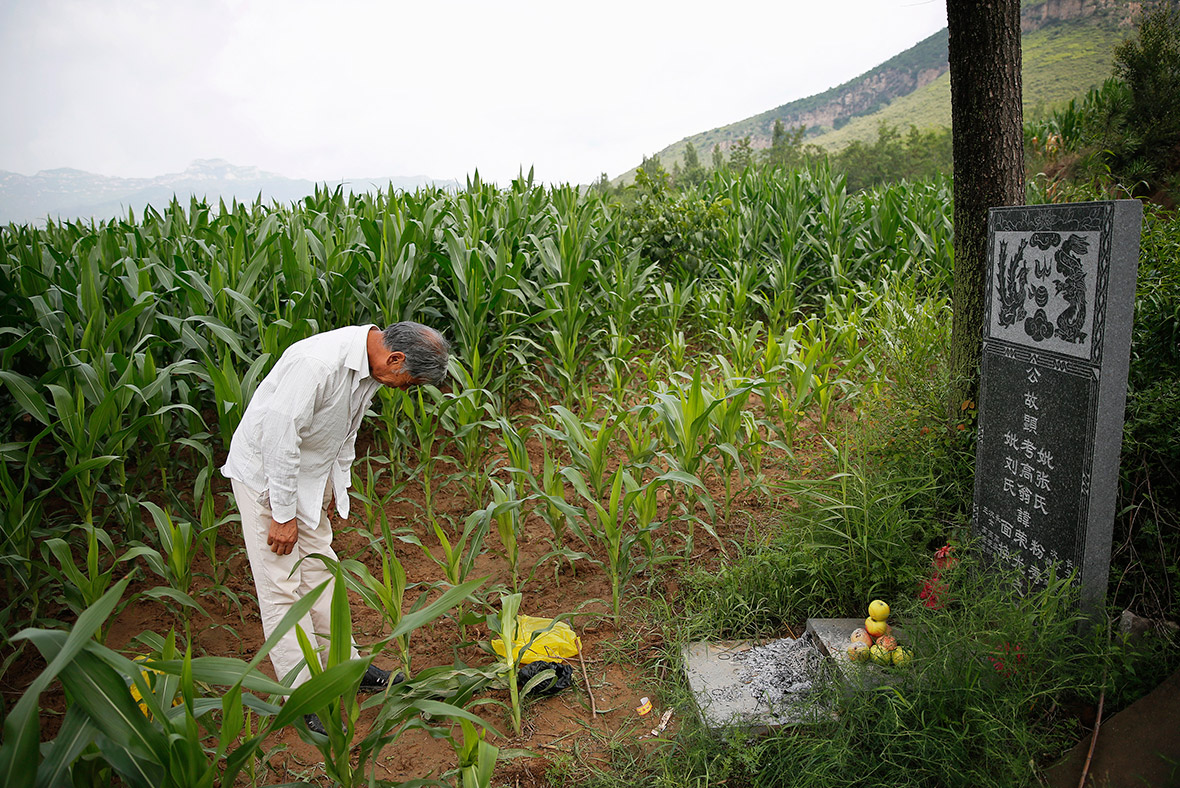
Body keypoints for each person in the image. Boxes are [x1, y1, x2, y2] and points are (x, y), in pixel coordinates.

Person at [221, 322, 449, 734]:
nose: (403, 389)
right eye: (408, 382)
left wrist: (332, 488)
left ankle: (345, 667)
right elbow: (278, 438)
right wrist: (284, 514)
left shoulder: (370, 367)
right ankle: (303, 693)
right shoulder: (317, 364)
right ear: (395, 359)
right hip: (268, 482)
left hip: (308, 478)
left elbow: (344, 431)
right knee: (281, 588)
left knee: (322, 572)